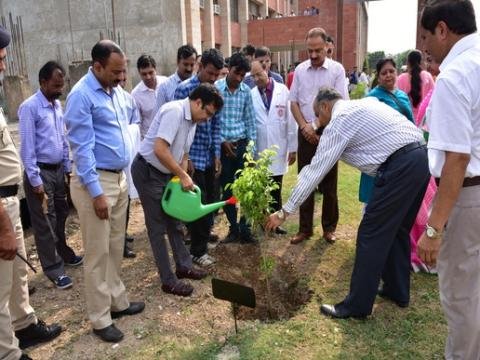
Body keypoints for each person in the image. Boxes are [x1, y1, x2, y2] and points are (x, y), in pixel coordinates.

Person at [266, 87, 429, 319]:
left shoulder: (340, 120)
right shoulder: (362, 105)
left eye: (319, 117)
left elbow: (314, 171)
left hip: (401, 166)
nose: (319, 123)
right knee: (398, 230)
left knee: (370, 233)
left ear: (324, 106)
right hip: (420, 158)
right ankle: (397, 290)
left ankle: (357, 306)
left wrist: (284, 212)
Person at [64, 40, 145, 343]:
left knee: (115, 246)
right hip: (94, 184)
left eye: (123, 71)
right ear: (97, 67)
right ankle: (100, 319)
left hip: (119, 179)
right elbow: (82, 150)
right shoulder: (81, 96)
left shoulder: (117, 93)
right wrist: (96, 193)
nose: (121, 77)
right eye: (115, 71)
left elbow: (129, 122)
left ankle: (116, 301)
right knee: (97, 254)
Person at [416, 1, 480, 358]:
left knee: (461, 296)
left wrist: (433, 229)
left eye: (427, 36)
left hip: (467, 197)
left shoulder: (455, 76)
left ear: (443, 30)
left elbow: (457, 158)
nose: (425, 47)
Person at [0, 26, 62, 360]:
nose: (3, 65)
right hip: (0, 204)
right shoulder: (29, 107)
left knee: (16, 274)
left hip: (10, 198)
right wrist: (4, 225)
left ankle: (24, 325)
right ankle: (8, 352)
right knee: (0, 283)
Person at [131, 83, 223, 296]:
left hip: (165, 173)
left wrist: (181, 180)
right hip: (148, 170)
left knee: (175, 221)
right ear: (198, 102)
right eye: (207, 112)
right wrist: (182, 176)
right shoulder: (175, 112)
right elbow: (160, 149)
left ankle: (184, 266)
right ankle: (168, 280)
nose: (207, 118)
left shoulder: (192, 121)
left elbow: (183, 154)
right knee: (157, 228)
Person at [18, 61, 83, 290]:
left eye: (62, 85)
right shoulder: (30, 107)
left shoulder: (56, 105)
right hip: (41, 173)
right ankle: (54, 268)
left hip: (57, 171)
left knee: (62, 212)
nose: (60, 90)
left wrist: (67, 167)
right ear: (43, 82)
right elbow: (27, 148)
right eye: (56, 85)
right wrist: (35, 181)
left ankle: (63, 252)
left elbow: (62, 139)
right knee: (45, 222)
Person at [289, 27, 348, 245]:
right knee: (305, 181)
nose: (313, 55)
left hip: (329, 132)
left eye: (317, 51)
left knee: (329, 183)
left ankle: (329, 228)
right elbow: (293, 101)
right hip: (304, 130)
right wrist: (305, 126)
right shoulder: (300, 70)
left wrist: (317, 127)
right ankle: (305, 229)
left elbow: (340, 104)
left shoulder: (337, 70)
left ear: (327, 47)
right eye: (310, 51)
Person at [174, 48, 224, 266]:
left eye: (216, 75)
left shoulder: (215, 93)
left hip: (208, 156)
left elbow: (216, 126)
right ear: (200, 66)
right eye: (210, 73)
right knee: (197, 204)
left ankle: (200, 240)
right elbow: (180, 128)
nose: (213, 79)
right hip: (190, 159)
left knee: (210, 201)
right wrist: (186, 158)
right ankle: (197, 250)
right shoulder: (183, 90)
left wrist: (217, 154)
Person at [358, 58, 414, 207]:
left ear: (397, 73)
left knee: (396, 201)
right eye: (384, 73)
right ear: (378, 76)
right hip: (380, 155)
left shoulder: (402, 95)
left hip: (402, 155)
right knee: (374, 201)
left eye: (391, 71)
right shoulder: (372, 98)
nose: (388, 75)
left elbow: (410, 123)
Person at [250, 60, 297, 235]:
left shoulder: (282, 91)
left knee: (276, 187)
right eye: (252, 76)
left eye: (258, 74)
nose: (256, 79)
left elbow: (291, 121)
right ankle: (263, 220)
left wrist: (293, 147)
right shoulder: (252, 94)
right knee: (261, 187)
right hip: (260, 148)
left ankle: (276, 223)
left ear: (266, 69)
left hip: (279, 146)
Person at [216, 52, 257, 244]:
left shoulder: (246, 92)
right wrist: (222, 141)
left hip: (241, 146)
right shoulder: (216, 89)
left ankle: (245, 227)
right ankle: (233, 227)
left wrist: (250, 151)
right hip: (223, 148)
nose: (239, 78)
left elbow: (250, 123)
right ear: (229, 68)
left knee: (246, 188)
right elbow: (211, 121)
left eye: (243, 75)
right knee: (227, 189)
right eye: (236, 73)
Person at [118, 78, 141, 259]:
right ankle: (118, 242)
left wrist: (129, 131)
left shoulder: (128, 98)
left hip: (126, 155)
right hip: (109, 165)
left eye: (124, 73)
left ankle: (122, 238)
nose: (121, 78)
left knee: (124, 202)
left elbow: (136, 122)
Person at [131, 55, 167, 138]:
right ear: (139, 73)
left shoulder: (165, 83)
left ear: (155, 70)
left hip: (169, 134)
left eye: (151, 73)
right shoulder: (135, 94)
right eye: (144, 74)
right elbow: (137, 122)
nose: (148, 77)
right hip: (150, 139)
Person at [155, 44, 197, 113]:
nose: (189, 68)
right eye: (185, 64)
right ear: (177, 62)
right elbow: (159, 113)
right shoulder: (165, 86)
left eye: (192, 65)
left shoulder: (199, 84)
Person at [396, 50, 435, 120]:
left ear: (408, 63)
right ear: (421, 62)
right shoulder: (427, 76)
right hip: (424, 122)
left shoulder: (401, 79)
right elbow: (434, 99)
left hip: (405, 121)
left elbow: (396, 101)